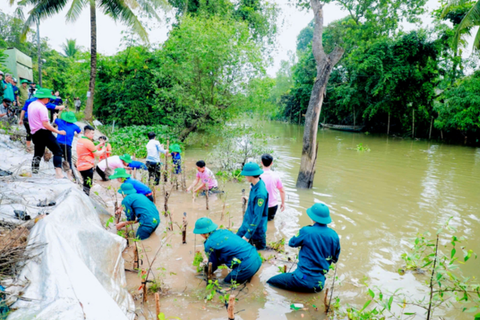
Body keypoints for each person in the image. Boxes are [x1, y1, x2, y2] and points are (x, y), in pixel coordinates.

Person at [267, 203, 341, 293]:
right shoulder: (334, 236)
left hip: (302, 279)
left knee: (270, 282)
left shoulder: (306, 231)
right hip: (319, 283)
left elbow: (292, 243)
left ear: (313, 218)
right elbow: (335, 259)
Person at [193, 217, 262, 284]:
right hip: (257, 259)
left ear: (202, 233)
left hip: (247, 266)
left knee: (226, 282)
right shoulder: (224, 231)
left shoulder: (209, 243)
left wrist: (205, 272)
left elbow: (213, 265)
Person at [28, 88, 66, 178]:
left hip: (34, 132)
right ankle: (59, 174)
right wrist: (58, 131)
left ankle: (34, 171)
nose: (49, 100)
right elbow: (46, 124)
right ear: (45, 98)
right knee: (58, 151)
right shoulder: (42, 108)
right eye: (49, 98)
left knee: (38, 153)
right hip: (43, 132)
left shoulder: (31, 105)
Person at [236, 162, 269, 250]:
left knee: (260, 251)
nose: (245, 177)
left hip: (256, 229)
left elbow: (257, 217)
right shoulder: (256, 184)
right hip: (247, 223)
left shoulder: (260, 194)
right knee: (235, 243)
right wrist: (249, 199)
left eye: (245, 175)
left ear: (250, 175)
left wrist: (247, 236)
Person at [76, 125, 107, 195]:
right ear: (87, 133)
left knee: (85, 182)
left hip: (80, 165)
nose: (93, 135)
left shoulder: (80, 140)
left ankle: (84, 195)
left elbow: (91, 149)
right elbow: (97, 154)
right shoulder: (88, 142)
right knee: (88, 184)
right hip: (87, 166)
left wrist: (99, 145)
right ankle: (86, 197)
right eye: (92, 133)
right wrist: (103, 150)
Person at [260, 154, 286, 221]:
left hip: (260, 204)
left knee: (260, 221)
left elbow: (252, 190)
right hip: (272, 205)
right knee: (270, 222)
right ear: (271, 163)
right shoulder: (276, 176)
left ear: (261, 162)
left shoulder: (257, 176)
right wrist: (283, 203)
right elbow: (282, 190)